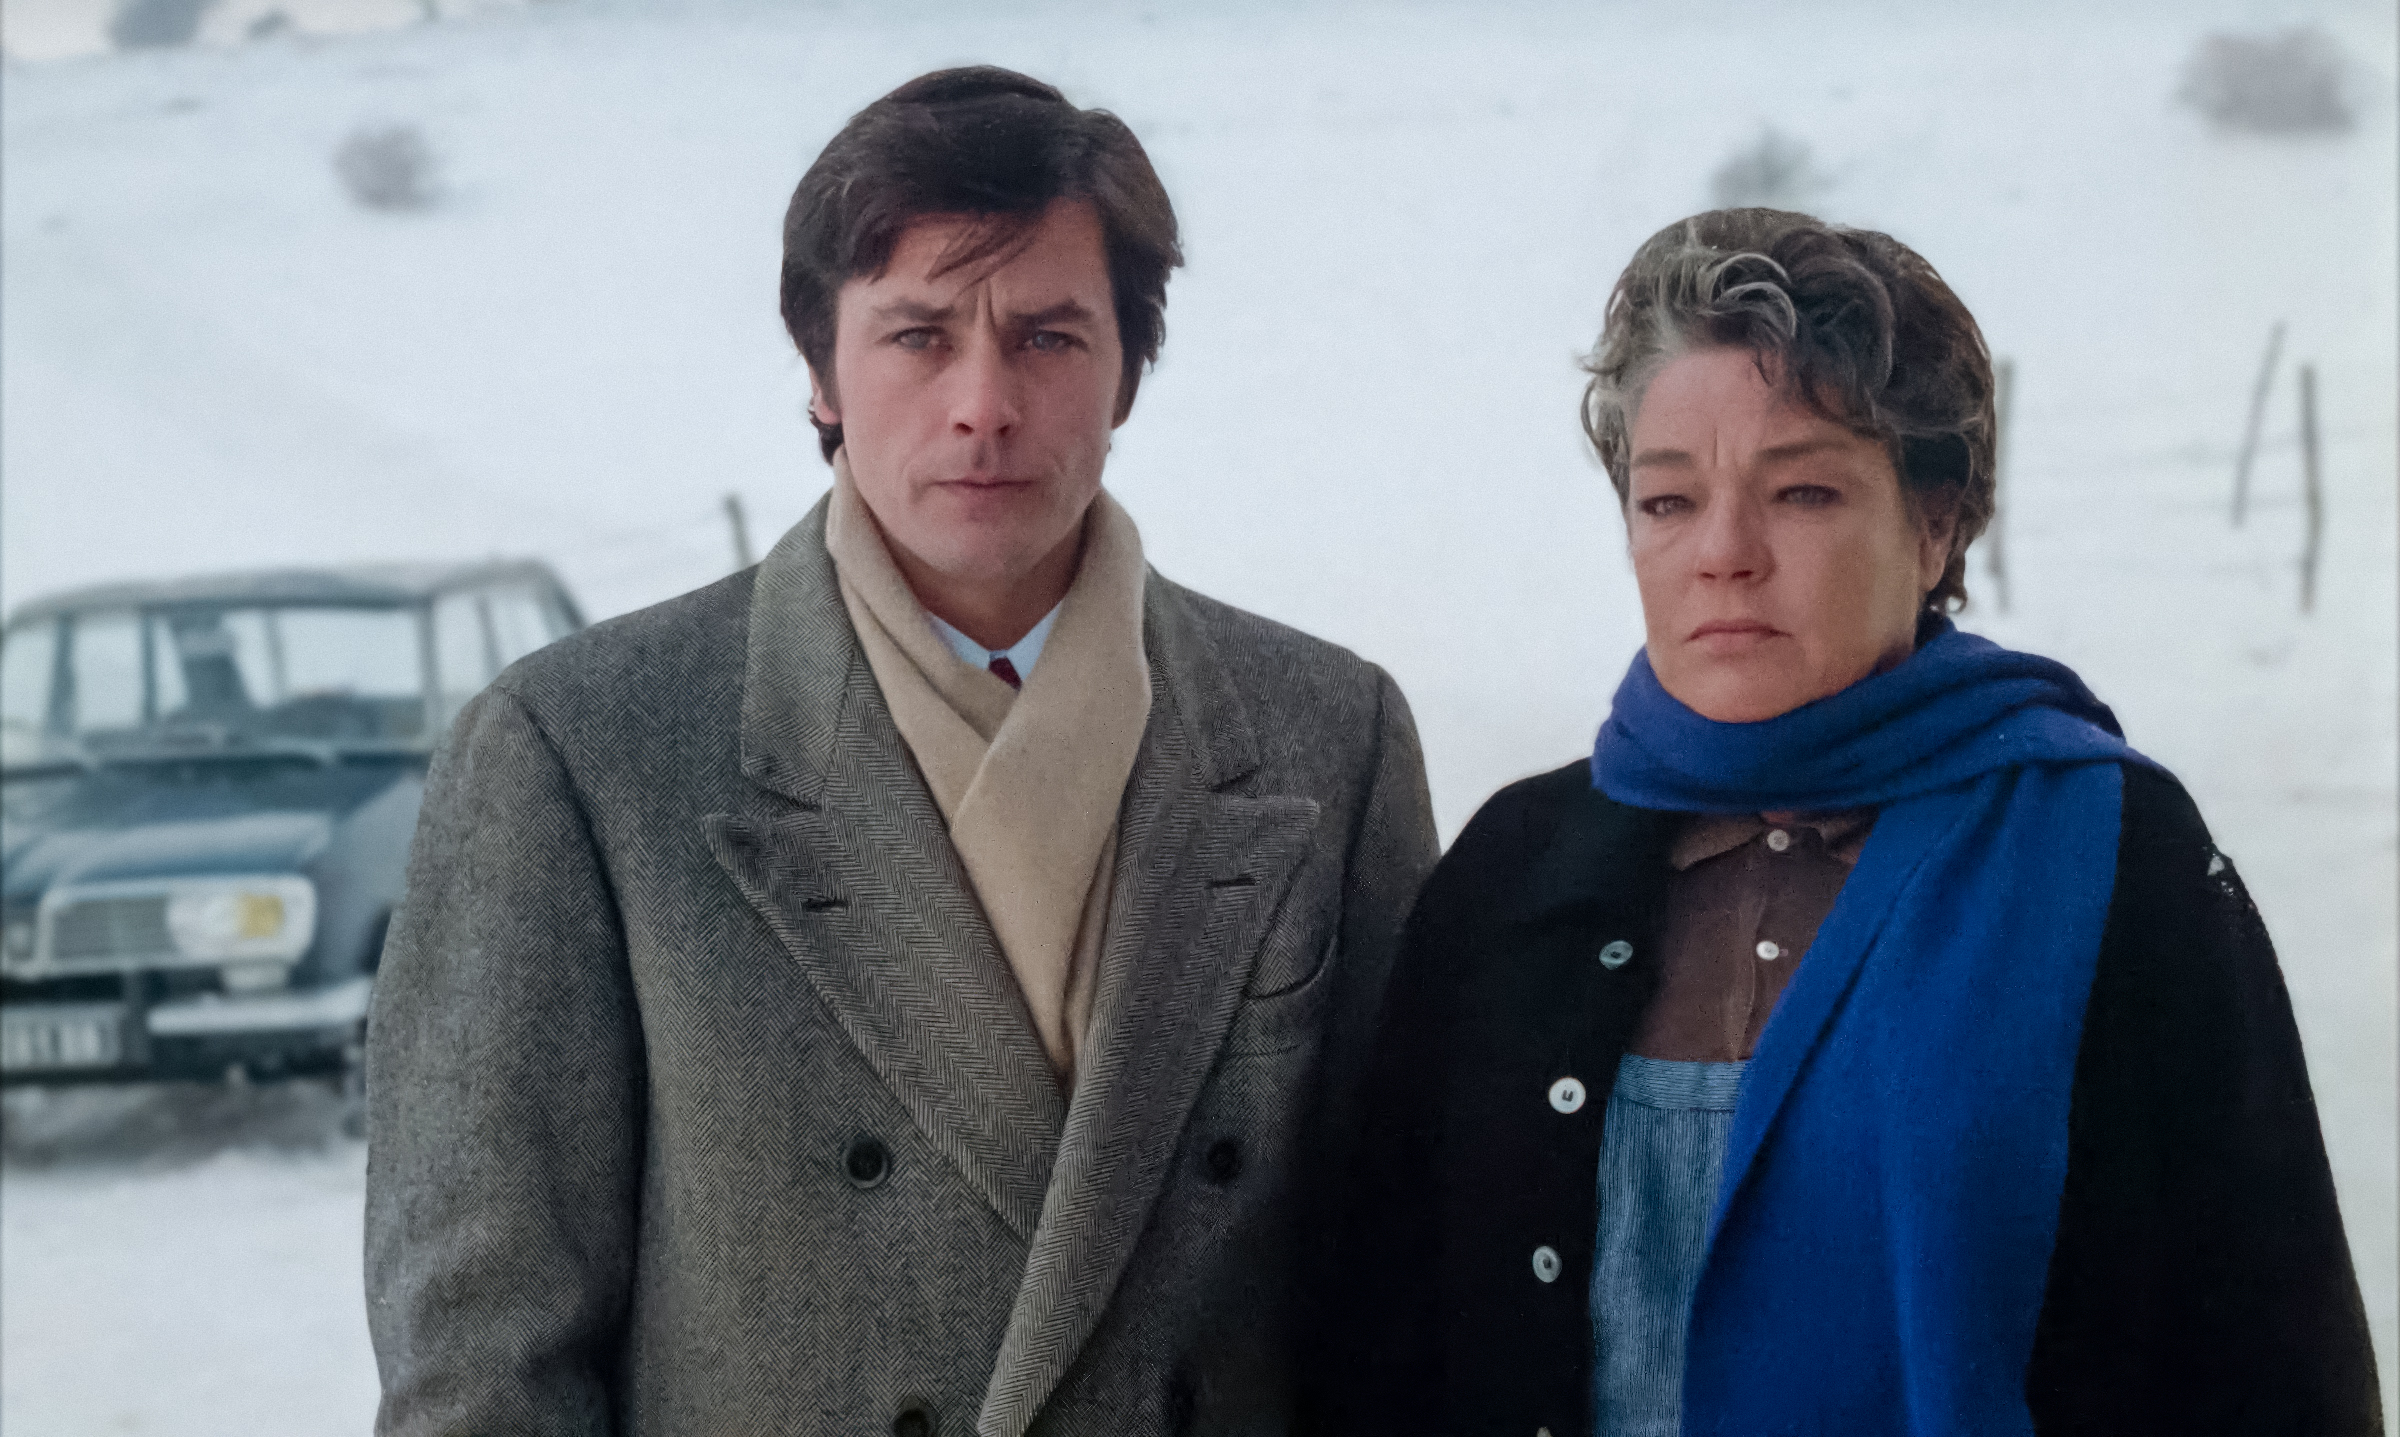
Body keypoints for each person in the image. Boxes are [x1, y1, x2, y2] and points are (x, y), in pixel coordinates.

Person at [364, 66, 1437, 1436]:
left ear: (1126, 374)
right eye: (919, 335)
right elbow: (484, 1366)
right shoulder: (580, 752)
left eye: (1048, 337)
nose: (982, 403)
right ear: (821, 372)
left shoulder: (1324, 737)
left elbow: (1395, 1298)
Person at [1327, 208, 2381, 1436]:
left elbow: (2266, 1350)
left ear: (1937, 524)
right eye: (1668, 502)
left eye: (1805, 490)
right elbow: (1384, 1336)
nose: (1723, 554)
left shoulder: (2113, 851)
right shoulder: (1519, 866)